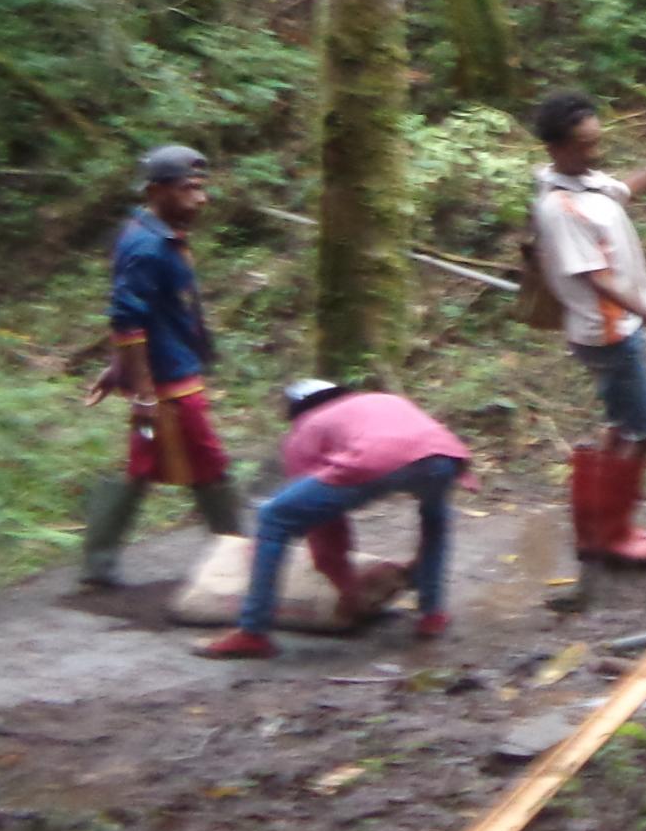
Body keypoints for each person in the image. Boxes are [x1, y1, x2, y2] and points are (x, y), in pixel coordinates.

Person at [529, 91, 646, 563]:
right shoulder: (560, 207)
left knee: (619, 426)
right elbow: (598, 280)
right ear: (555, 147)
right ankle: (615, 533)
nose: (595, 153)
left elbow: (628, 188)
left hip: (615, 327)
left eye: (597, 142)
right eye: (585, 146)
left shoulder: (586, 182)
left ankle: (595, 528)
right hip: (608, 332)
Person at [197, 380, 470, 659]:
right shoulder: (381, 399)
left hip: (377, 458)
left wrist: (346, 586)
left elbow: (325, 524)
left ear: (297, 410)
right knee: (436, 515)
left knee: (273, 517)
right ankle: (432, 614)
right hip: (445, 456)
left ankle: (252, 632)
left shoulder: (306, 427)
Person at [80, 143, 249, 587]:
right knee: (209, 461)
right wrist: (141, 390)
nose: (201, 199)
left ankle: (98, 564)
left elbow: (138, 319)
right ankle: (241, 560)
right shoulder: (146, 246)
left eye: (202, 188)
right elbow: (126, 321)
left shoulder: (161, 234)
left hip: (173, 374)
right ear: (157, 191)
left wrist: (120, 369)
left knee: (143, 463)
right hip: (170, 389)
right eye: (189, 189)